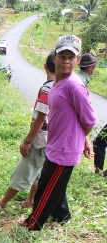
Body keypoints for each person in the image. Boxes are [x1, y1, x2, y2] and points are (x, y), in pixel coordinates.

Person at [19, 34, 97, 231]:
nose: (66, 61)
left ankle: (34, 223)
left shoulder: (74, 86)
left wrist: (80, 140)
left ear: (78, 60)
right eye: (63, 56)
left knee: (46, 189)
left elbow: (89, 120)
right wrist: (84, 140)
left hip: (64, 150)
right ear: (54, 57)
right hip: (55, 145)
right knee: (54, 184)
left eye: (71, 57)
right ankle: (63, 216)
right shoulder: (57, 83)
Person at [0, 53, 56, 214]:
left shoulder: (47, 88)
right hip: (50, 139)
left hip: (39, 138)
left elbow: (40, 119)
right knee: (38, 171)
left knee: (23, 171)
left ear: (45, 65)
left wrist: (27, 141)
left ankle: (2, 203)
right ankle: (30, 200)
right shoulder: (59, 85)